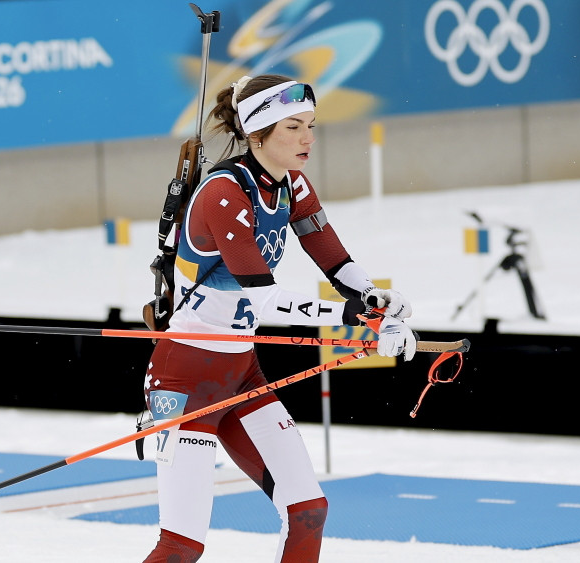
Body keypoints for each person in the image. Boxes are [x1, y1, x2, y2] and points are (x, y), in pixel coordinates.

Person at [140, 74, 417, 563]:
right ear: (257, 133)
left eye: (311, 125)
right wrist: (355, 319)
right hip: (185, 379)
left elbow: (337, 264)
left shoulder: (293, 185)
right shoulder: (224, 194)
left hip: (240, 372)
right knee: (182, 546)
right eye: (293, 127)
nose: (308, 137)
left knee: (308, 510)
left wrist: (376, 302)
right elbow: (263, 301)